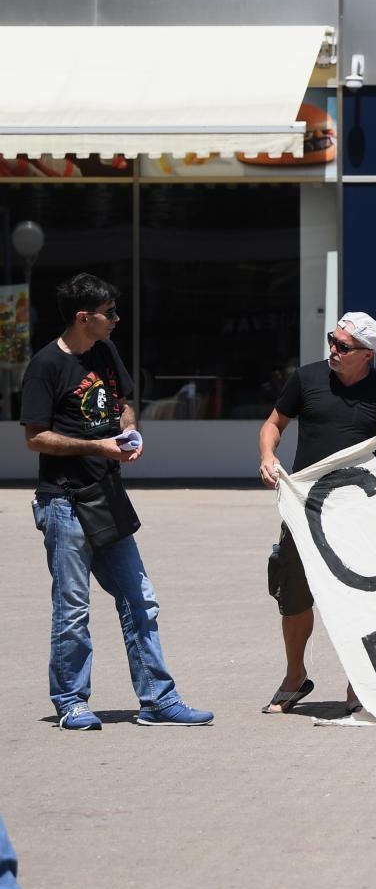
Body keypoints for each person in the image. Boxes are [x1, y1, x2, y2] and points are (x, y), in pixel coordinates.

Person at [21, 274, 213, 729]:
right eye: (109, 313)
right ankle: (71, 702)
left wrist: (128, 430)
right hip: (64, 502)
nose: (117, 320)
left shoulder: (104, 351)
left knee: (140, 599)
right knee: (73, 608)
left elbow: (123, 401)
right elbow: (35, 438)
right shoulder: (46, 365)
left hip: (107, 497)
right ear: (84, 317)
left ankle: (158, 700)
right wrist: (97, 447)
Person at [258, 312, 376, 719]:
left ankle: (359, 683)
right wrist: (268, 456)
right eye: (332, 340)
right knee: (294, 596)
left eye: (342, 346)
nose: (333, 351)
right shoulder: (306, 379)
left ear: (367, 355)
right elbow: (273, 424)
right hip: (304, 510)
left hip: (357, 516)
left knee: (356, 601)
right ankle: (294, 676)